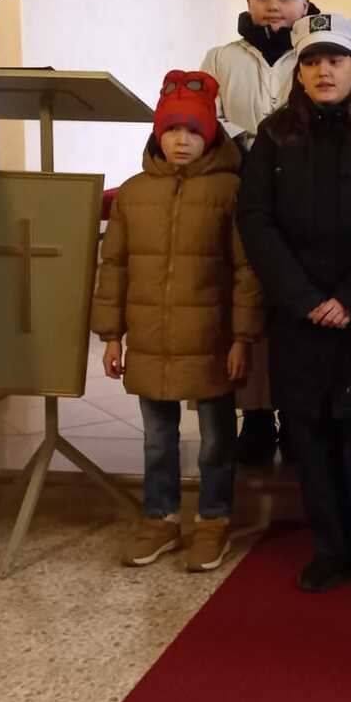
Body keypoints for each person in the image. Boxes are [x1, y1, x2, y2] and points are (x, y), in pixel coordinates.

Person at [237, 12, 351, 596]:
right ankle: (333, 548)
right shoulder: (273, 135)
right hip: (301, 315)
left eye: (335, 60)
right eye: (312, 61)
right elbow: (256, 220)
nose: (323, 71)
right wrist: (305, 298)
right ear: (298, 72)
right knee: (311, 435)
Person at [90, 70, 264, 573]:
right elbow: (114, 266)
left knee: (215, 440)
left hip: (212, 341)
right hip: (149, 340)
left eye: (192, 130)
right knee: (156, 438)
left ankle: (213, 520)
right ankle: (160, 518)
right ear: (157, 134)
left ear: (210, 134)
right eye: (171, 130)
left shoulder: (231, 191)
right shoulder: (134, 194)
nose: (181, 140)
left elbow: (246, 269)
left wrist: (242, 337)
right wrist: (110, 336)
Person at [201, 0, 311, 466]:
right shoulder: (222, 58)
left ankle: (294, 412)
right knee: (247, 304)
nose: (273, 6)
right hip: (244, 188)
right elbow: (207, 116)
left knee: (292, 304)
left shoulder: (314, 54)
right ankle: (257, 416)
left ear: (305, 2)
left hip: (300, 196)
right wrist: (249, 142)